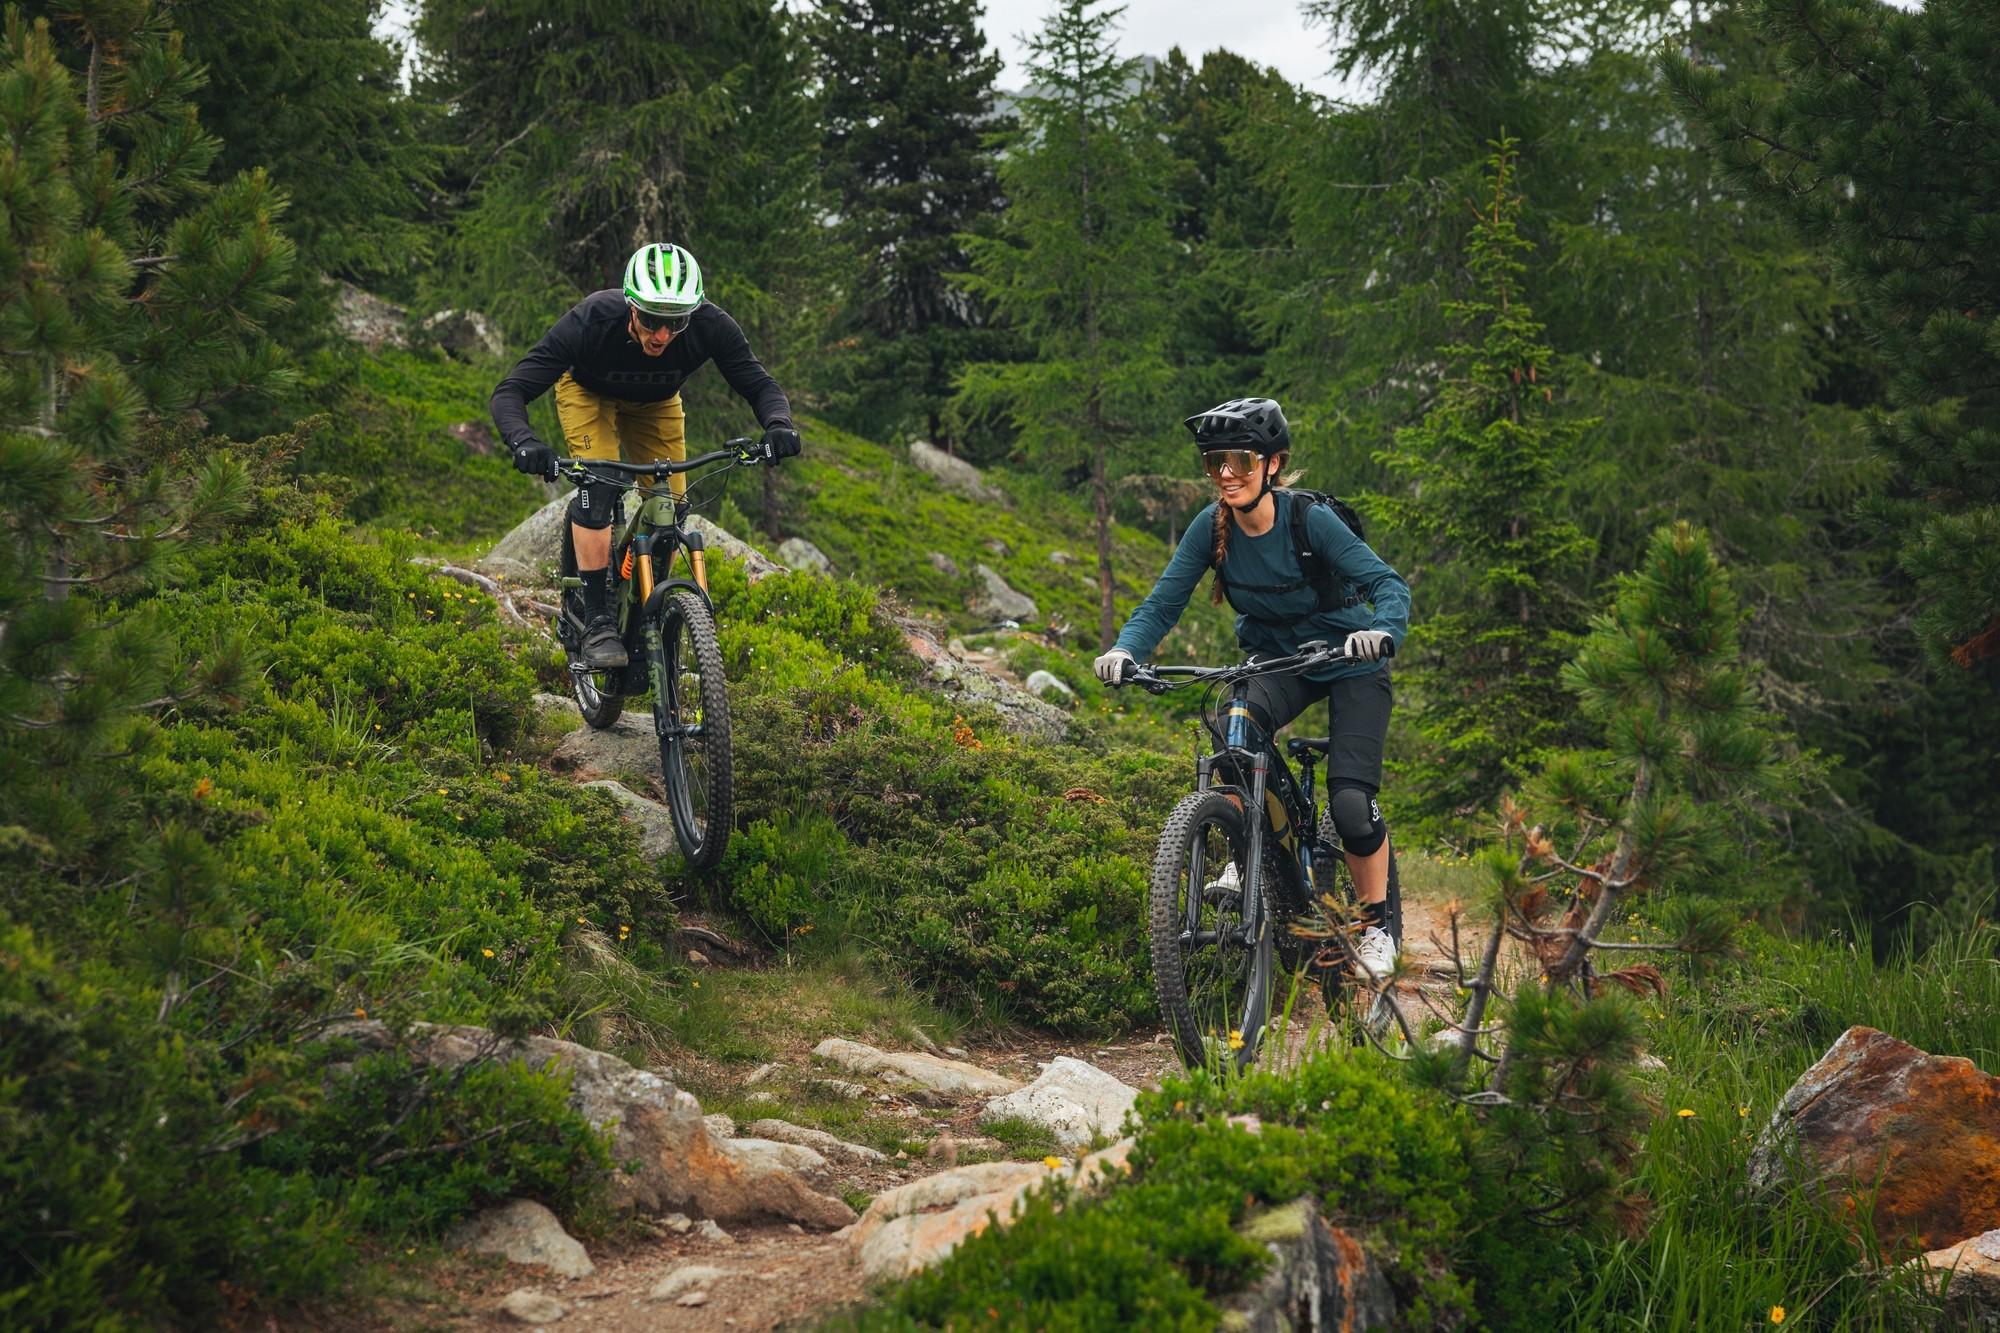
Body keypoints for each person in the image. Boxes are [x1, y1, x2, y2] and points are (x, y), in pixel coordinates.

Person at [1094, 397, 1411, 979]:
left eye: (1240, 460)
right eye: (1216, 463)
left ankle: (1376, 927)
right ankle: (1250, 848)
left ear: (1273, 463)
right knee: (1236, 733)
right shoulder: (1211, 527)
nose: (1227, 475)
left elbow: (1387, 583)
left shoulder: (1308, 521)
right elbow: (1164, 602)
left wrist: (1381, 632)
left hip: (1350, 659)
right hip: (1277, 661)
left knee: (1348, 803)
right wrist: (1125, 650)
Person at [490, 242, 802, 669]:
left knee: (669, 508)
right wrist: (524, 442)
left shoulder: (711, 325)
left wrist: (779, 425)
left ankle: (645, 616)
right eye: (652, 320)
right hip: (588, 393)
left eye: (676, 323)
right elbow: (512, 391)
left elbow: (759, 384)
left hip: (656, 403)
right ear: (631, 306)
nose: (662, 335)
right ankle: (597, 617)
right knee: (598, 485)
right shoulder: (592, 320)